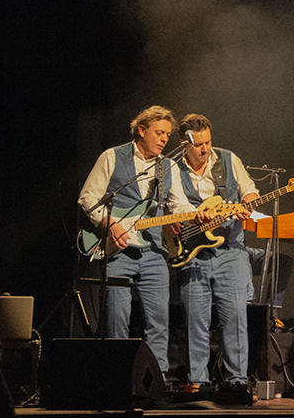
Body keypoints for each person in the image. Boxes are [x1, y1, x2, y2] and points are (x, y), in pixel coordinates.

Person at [77, 105, 199, 377]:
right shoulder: (112, 156)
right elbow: (88, 198)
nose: (164, 139)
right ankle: (117, 378)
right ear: (141, 130)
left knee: (158, 323)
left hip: (153, 252)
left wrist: (196, 214)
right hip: (117, 251)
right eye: (159, 132)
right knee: (116, 322)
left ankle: (156, 380)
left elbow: (178, 204)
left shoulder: (167, 166)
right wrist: (110, 223)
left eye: (167, 134)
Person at [175, 114, 259, 405]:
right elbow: (171, 203)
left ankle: (237, 383)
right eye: (198, 144)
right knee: (194, 320)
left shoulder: (228, 159)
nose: (205, 149)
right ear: (184, 144)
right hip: (192, 252)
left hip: (230, 250)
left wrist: (248, 202)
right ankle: (198, 383)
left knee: (235, 318)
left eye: (208, 142)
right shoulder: (173, 168)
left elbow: (250, 190)